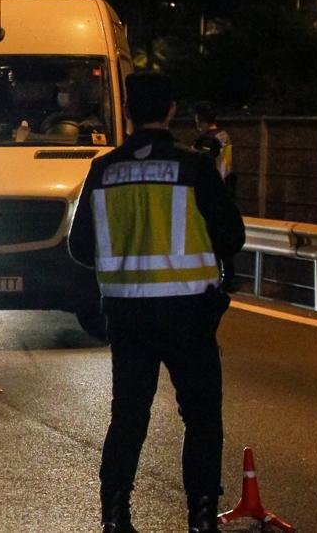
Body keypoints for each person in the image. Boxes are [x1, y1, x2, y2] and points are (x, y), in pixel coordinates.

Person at [68, 72, 245, 533]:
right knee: (202, 417)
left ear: (127, 112)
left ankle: (114, 516)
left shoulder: (103, 170)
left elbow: (80, 247)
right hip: (189, 312)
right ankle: (202, 519)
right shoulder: (195, 168)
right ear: (171, 110)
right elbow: (233, 235)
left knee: (128, 415)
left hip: (127, 315)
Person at [193, 101, 238, 290]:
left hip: (211, 192)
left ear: (201, 121)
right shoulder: (224, 136)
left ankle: (217, 277)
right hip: (226, 190)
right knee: (223, 235)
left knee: (209, 237)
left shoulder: (206, 141)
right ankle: (229, 276)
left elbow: (200, 166)